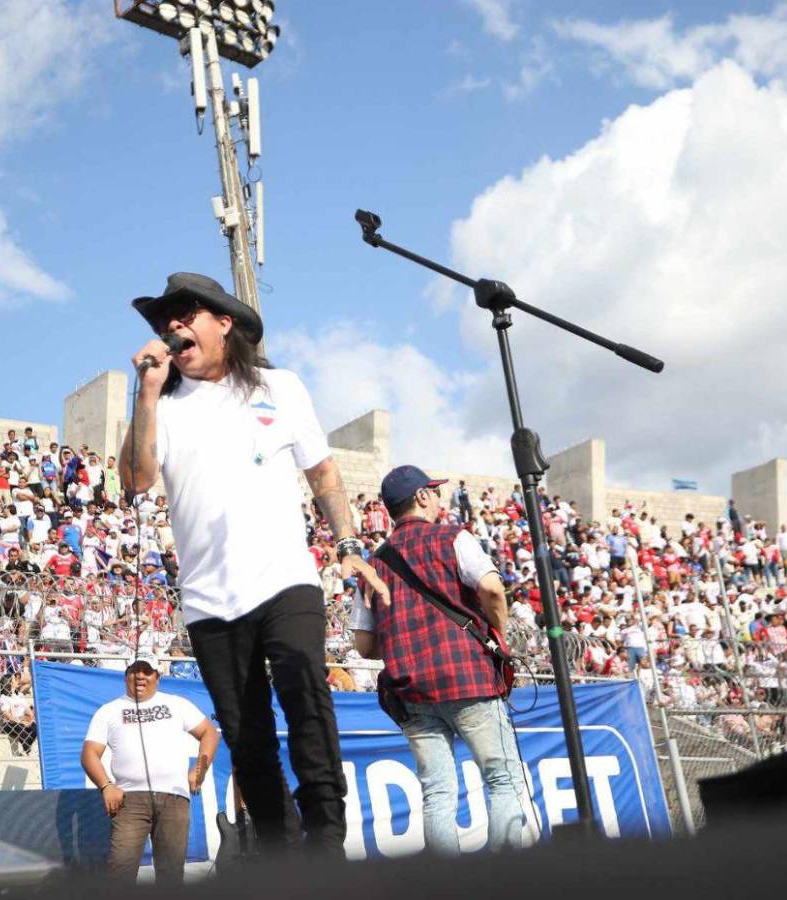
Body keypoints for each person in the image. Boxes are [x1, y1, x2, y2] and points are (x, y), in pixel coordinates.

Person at [120, 272, 388, 857]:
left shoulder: (279, 386)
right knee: (247, 735)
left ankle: (327, 842)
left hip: (285, 578)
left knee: (306, 694)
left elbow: (323, 472)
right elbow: (136, 481)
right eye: (166, 320)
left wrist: (348, 544)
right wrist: (145, 392)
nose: (173, 326)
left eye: (186, 313)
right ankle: (282, 855)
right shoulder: (163, 406)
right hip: (209, 600)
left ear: (224, 322)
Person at [352, 465, 526, 855]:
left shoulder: (372, 564)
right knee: (503, 779)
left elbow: (364, 645)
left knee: (437, 792)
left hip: (410, 690)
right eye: (433, 491)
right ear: (422, 497)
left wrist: (400, 638)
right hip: (467, 678)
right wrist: (497, 633)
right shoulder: (453, 537)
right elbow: (492, 589)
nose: (437, 498)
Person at [80, 656, 218, 885]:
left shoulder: (177, 704)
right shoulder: (108, 711)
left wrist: (200, 770)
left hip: (174, 798)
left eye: (147, 671)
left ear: (158, 677)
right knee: (119, 872)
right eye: (135, 671)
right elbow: (89, 754)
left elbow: (209, 733)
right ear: (126, 676)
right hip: (129, 801)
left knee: (171, 875)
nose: (140, 676)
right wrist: (106, 785)